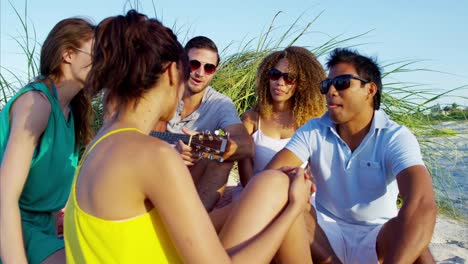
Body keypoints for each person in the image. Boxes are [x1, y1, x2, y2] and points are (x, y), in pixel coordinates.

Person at [64, 10, 313, 263]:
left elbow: (242, 147)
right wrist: (292, 209)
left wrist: (256, 199)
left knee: (273, 184)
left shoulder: (101, 143)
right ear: (173, 73)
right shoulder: (154, 156)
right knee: (281, 190)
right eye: (189, 68)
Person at [267, 48, 437, 263]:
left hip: (377, 237)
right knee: (283, 201)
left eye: (342, 83)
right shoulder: (314, 130)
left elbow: (422, 201)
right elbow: (271, 175)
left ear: (370, 89)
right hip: (323, 234)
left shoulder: (394, 136)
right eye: (326, 85)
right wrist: (295, 180)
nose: (331, 91)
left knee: (417, 240)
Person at [0, 18, 94, 264]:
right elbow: (4, 196)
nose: (104, 63)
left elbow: (50, 203)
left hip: (40, 229)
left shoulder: (72, 112)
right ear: (68, 54)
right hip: (11, 225)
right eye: (97, 54)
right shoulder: (37, 104)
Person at [157, 36, 253, 211]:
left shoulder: (220, 103)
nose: (200, 73)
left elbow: (245, 145)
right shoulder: (160, 91)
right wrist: (171, 153)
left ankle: (194, 223)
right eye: (194, 64)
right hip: (153, 170)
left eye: (208, 68)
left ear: (214, 72)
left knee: (223, 159)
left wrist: (205, 145)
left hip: (189, 178)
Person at [238, 46, 326, 189]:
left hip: (295, 196)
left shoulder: (313, 124)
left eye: (289, 78)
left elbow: (312, 180)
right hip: (253, 194)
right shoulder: (251, 119)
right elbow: (246, 182)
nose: (280, 82)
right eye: (274, 74)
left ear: (303, 84)